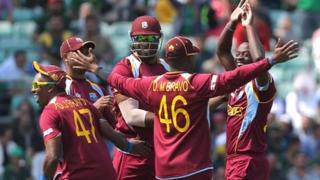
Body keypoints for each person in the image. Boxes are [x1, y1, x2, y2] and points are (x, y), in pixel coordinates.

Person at [74, 33, 298, 179]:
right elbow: (233, 77)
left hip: (164, 170)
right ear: (189, 60)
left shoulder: (152, 85)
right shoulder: (197, 83)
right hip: (195, 167)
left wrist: (95, 68)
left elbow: (118, 81)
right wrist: (270, 61)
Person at [70, 15, 168, 179]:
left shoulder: (165, 66)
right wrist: (169, 118)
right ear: (132, 38)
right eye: (140, 38)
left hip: (161, 150)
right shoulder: (125, 68)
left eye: (151, 37)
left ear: (159, 38)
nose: (145, 43)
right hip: (135, 154)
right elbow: (131, 116)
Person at [216, 1, 298, 179]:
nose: (239, 57)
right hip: (236, 159)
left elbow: (260, 59)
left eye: (245, 55)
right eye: (238, 53)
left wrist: (249, 26)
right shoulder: (235, 80)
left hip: (247, 160)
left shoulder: (260, 83)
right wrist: (231, 23)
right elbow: (222, 51)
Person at [31, 62, 151, 180]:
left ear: (50, 88)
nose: (33, 90)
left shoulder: (50, 112)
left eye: (36, 85)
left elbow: (52, 156)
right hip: (107, 173)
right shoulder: (85, 103)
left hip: (78, 175)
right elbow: (111, 134)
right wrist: (130, 146)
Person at [59, 36, 115, 126]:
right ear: (66, 57)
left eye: (86, 52)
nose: (85, 57)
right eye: (79, 52)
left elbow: (113, 125)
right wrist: (94, 108)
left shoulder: (98, 89)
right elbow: (67, 124)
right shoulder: (62, 88)